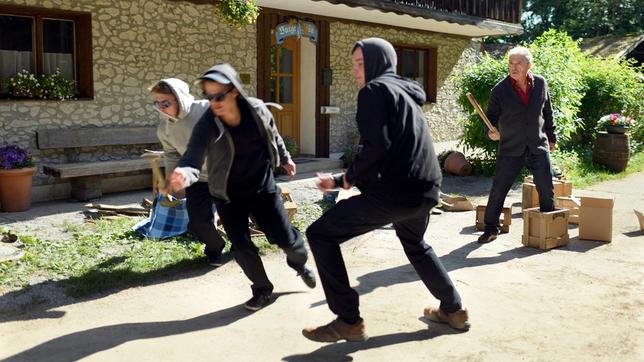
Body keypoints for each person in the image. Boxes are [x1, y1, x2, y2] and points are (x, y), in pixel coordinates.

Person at [302, 38, 469, 343]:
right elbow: (391, 147)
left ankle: (348, 321)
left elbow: (375, 147)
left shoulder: (375, 90)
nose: (354, 71)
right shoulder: (404, 93)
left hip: (399, 190)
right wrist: (350, 178)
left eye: (361, 63)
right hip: (428, 188)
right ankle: (454, 310)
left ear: (379, 63)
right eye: (352, 63)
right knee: (415, 242)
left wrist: (342, 181)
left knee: (320, 234)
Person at [164, 64, 316, 311]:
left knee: (285, 238)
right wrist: (183, 173)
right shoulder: (208, 122)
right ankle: (262, 289)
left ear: (234, 91)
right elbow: (193, 155)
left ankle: (298, 263)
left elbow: (274, 136)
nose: (214, 102)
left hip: (261, 188)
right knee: (241, 245)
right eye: (209, 97)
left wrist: (286, 158)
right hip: (226, 193)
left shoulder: (257, 110)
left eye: (219, 96)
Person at [477, 46, 556, 244]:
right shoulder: (499, 90)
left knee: (546, 187)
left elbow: (547, 112)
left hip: (537, 144)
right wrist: (490, 131)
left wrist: (551, 137)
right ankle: (491, 228)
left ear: (529, 65)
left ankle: (548, 226)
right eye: (510, 63)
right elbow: (490, 118)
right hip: (511, 147)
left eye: (518, 63)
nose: (513, 67)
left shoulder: (541, 84)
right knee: (498, 190)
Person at [150, 79, 226, 266]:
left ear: (180, 98)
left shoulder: (207, 110)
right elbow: (172, 155)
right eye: (157, 103)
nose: (161, 108)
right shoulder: (164, 129)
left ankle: (243, 247)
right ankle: (215, 248)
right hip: (198, 178)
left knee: (235, 218)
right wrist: (171, 180)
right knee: (197, 222)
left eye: (165, 103)